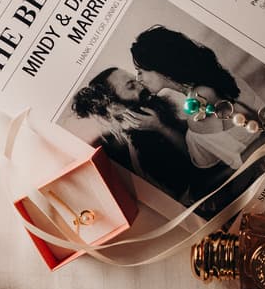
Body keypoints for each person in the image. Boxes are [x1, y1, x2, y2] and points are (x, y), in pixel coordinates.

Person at [130, 26, 265, 171]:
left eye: (140, 71)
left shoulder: (199, 102)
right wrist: (159, 125)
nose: (138, 79)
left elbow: (220, 169)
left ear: (159, 67)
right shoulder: (214, 76)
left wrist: (160, 127)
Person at [71, 67, 197, 202]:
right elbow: (199, 162)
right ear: (115, 107)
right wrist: (162, 128)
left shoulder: (157, 117)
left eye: (136, 79)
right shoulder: (145, 148)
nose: (141, 85)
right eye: (131, 86)